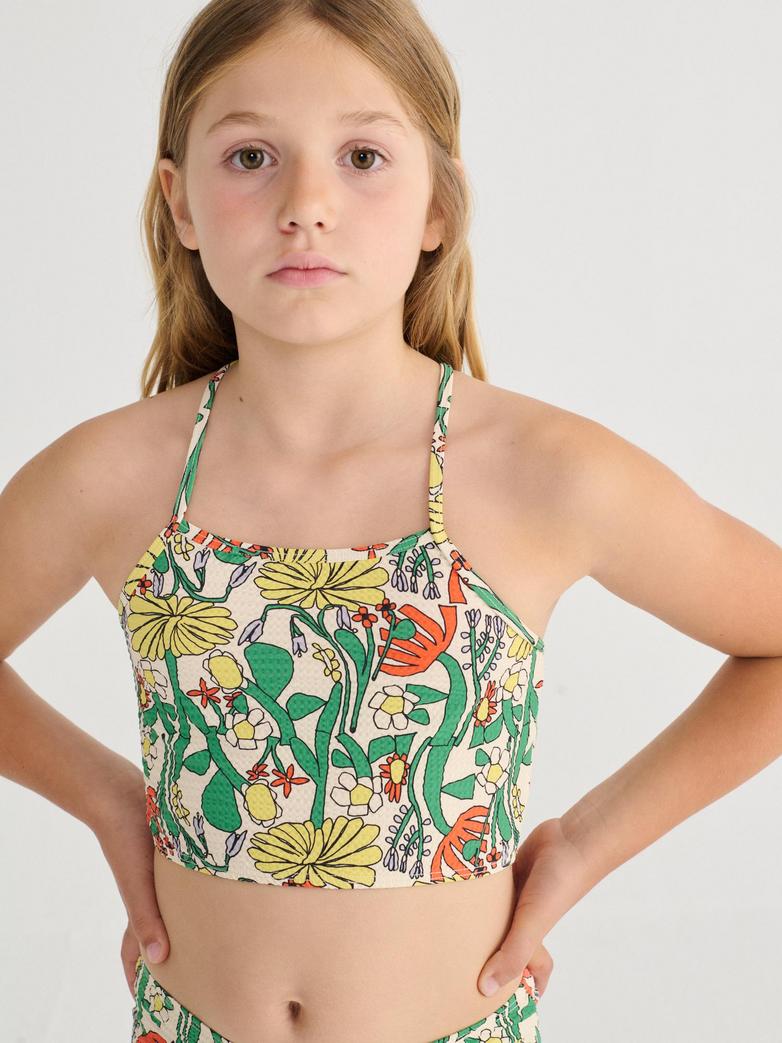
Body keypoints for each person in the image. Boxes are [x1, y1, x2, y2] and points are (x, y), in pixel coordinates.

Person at [2, 2, 780, 1041]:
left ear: (436, 206)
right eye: (250, 157)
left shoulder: (543, 473)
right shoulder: (112, 476)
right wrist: (107, 796)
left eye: (362, 156)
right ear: (179, 202)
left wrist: (584, 844)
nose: (305, 205)